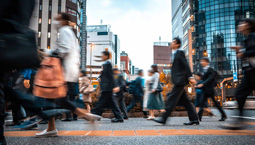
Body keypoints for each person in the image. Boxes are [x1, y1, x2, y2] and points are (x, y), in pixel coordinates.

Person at [35, 13, 101, 137]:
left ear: (64, 21)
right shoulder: (69, 33)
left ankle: (84, 115)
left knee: (54, 98)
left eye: (58, 19)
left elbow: (64, 50)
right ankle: (52, 128)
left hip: (62, 72)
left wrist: (48, 54)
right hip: (68, 71)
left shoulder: (65, 31)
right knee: (56, 99)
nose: (55, 21)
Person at [154, 37, 199, 125]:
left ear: (177, 44)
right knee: (186, 102)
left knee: (171, 99)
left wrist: (190, 76)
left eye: (173, 42)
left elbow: (185, 65)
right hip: (178, 80)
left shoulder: (180, 53)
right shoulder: (174, 54)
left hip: (180, 80)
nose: (171, 43)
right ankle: (194, 119)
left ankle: (164, 119)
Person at [223, 19, 255, 130]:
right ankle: (239, 121)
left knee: (240, 94)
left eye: (242, 23)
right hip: (249, 73)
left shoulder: (252, 36)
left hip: (253, 72)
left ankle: (239, 121)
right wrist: (240, 50)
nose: (240, 25)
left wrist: (243, 51)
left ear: (248, 25)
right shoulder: (247, 39)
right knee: (240, 94)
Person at [91, 51, 124, 123]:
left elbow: (111, 76)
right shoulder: (107, 64)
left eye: (102, 55)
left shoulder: (107, 64)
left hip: (107, 87)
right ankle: (119, 117)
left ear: (106, 56)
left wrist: (115, 86)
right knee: (111, 103)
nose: (101, 57)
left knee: (100, 102)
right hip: (108, 87)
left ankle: (93, 115)